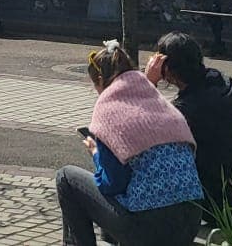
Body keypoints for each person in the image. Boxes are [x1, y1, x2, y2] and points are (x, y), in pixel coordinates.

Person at [56, 41, 204, 246]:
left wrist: (97, 155)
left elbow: (112, 183)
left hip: (147, 227)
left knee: (66, 177)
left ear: (100, 80)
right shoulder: (164, 107)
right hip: (190, 220)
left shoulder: (109, 110)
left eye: (95, 86)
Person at [146, 31, 232, 224]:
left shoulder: (185, 113)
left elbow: (144, 129)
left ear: (168, 70)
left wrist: (149, 83)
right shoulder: (222, 83)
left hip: (217, 205)